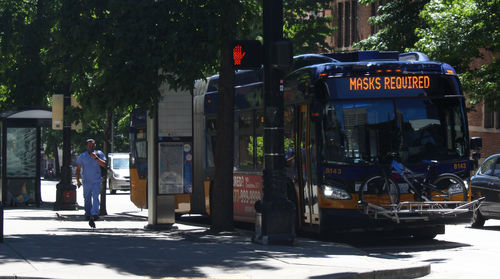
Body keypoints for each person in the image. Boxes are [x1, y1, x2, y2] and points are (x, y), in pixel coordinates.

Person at [75, 139, 107, 221]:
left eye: (93, 145)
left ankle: (95, 213)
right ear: (86, 146)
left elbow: (104, 165)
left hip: (96, 180)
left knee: (96, 196)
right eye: (89, 145)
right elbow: (78, 169)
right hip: (86, 181)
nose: (91, 147)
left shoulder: (99, 154)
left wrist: (96, 158)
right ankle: (88, 214)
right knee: (87, 198)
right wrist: (78, 180)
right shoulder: (82, 156)